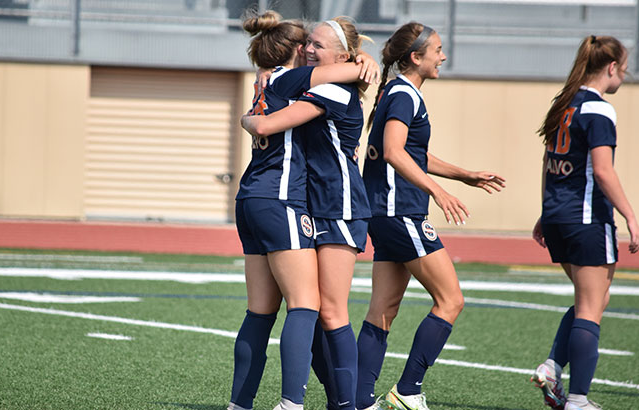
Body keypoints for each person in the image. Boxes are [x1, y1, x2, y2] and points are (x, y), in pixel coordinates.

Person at [230, 11, 379, 410]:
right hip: (295, 202)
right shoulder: (294, 81)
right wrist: (361, 64)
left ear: (341, 55)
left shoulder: (319, 86)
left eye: (317, 44)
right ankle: (321, 402)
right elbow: (271, 119)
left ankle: (347, 403)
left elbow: (266, 122)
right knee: (309, 309)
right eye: (307, 43)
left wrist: (363, 63)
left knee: (325, 311)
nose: (310, 49)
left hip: (338, 206)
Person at [356, 22, 505, 410]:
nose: (443, 56)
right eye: (437, 49)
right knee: (451, 300)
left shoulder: (396, 91)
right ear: (415, 57)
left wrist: (464, 174)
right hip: (400, 211)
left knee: (383, 310)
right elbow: (393, 151)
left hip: (384, 212)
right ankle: (407, 390)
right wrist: (437, 191)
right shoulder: (406, 94)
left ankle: (356, 400)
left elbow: (411, 152)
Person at [530, 35, 639, 410]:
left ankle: (551, 366)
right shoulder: (599, 109)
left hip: (560, 216)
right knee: (591, 307)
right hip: (587, 217)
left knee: (592, 299)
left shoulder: (564, 105)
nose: (624, 74)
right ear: (611, 67)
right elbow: (603, 172)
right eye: (624, 68)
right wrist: (630, 214)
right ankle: (577, 400)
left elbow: (550, 165)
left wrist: (546, 211)